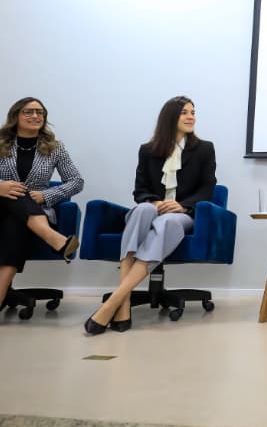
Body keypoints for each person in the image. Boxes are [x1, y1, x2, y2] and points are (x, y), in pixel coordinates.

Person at [84, 96, 216, 335]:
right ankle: (123, 305)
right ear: (170, 118)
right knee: (142, 209)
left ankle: (114, 303)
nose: (191, 117)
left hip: (182, 214)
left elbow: (208, 188)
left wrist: (183, 206)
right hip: (152, 209)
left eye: (193, 112)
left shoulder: (204, 149)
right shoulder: (147, 150)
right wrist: (154, 202)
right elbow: (140, 190)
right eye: (184, 112)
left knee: (167, 223)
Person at [0, 97, 84, 328]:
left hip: (23, 218)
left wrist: (47, 196)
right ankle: (54, 239)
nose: (35, 116)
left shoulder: (55, 149)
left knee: (15, 222)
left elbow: (76, 181)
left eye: (40, 112)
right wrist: (0, 186)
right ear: (16, 116)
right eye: (29, 112)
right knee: (15, 193)